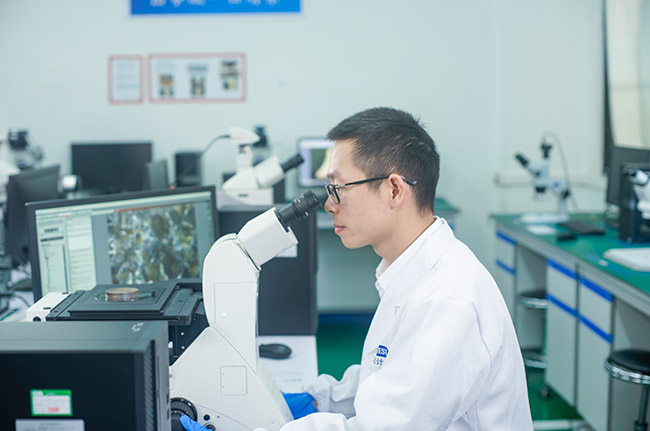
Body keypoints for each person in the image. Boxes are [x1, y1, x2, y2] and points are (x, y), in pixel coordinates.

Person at [183, 107, 532, 430]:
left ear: (394, 190)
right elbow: (387, 375)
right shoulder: (412, 273)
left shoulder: (445, 301)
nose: (329, 204)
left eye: (339, 188)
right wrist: (320, 399)